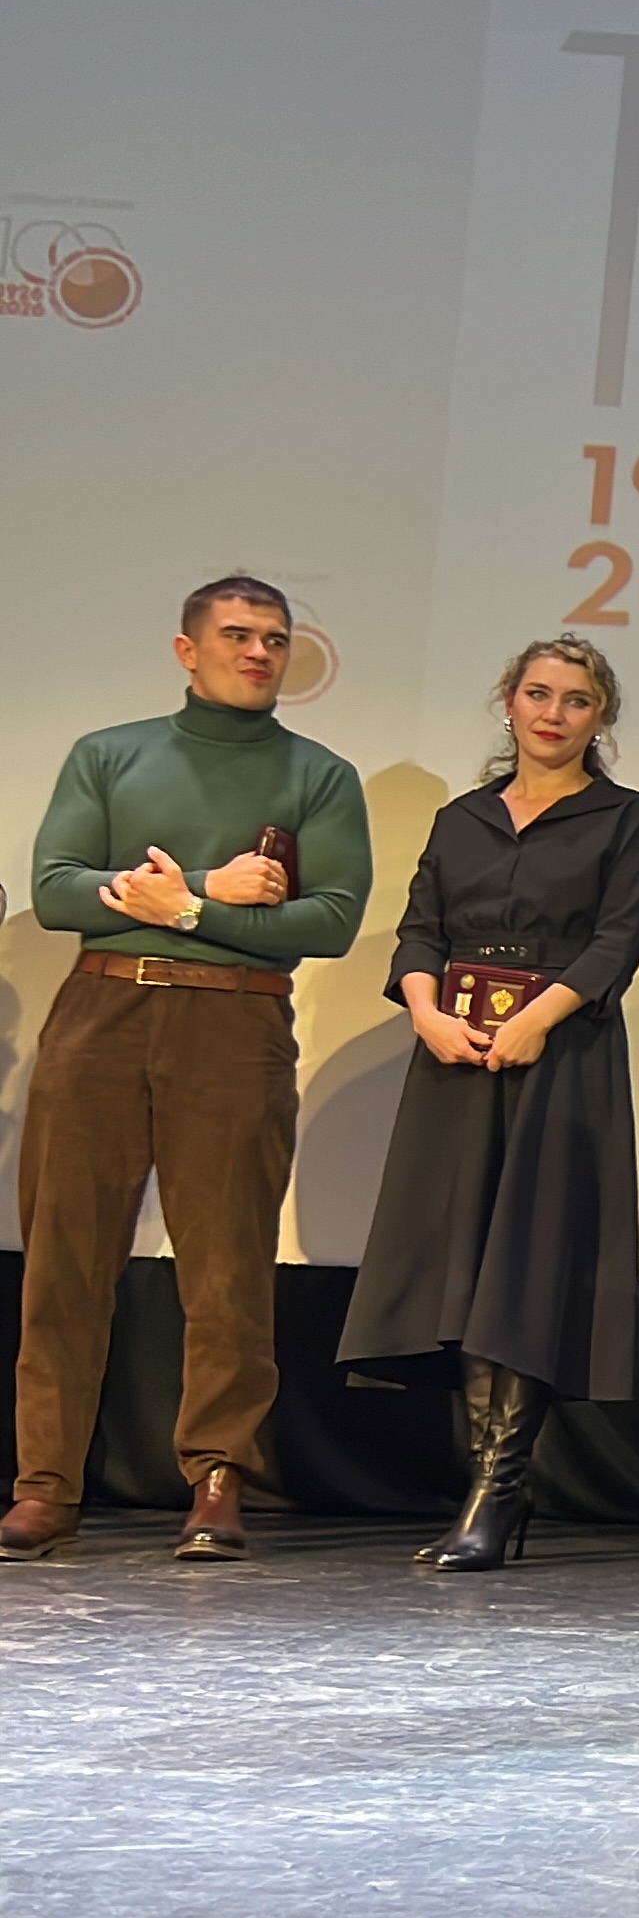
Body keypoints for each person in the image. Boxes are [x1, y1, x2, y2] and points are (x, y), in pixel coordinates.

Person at [5, 576, 372, 1564]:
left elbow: (331, 919)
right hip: (102, 1010)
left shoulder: (319, 774)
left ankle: (217, 1477)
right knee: (65, 1258)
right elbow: (56, 891)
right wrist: (208, 889)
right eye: (238, 635)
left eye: (275, 639)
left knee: (227, 1266)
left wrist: (194, 914)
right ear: (188, 650)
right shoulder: (110, 753)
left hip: (235, 1021)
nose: (259, 653)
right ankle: (45, 1486)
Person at [338, 637, 639, 1570]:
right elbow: (419, 932)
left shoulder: (625, 821)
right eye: (538, 693)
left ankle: (498, 1490)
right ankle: (486, 1489)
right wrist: (425, 1014)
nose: (553, 713)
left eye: (576, 699)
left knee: (524, 1268)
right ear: (510, 702)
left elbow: (615, 943)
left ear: (600, 718)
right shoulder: (463, 819)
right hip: (454, 1058)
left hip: (559, 1061)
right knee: (461, 1264)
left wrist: (539, 1019)